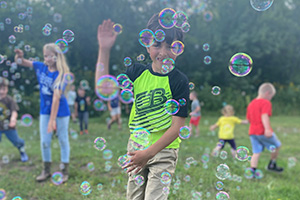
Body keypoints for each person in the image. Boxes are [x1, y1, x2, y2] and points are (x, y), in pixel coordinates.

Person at [95, 13, 189, 199]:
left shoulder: (179, 81)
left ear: (178, 48)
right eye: (157, 45)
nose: (163, 52)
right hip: (137, 145)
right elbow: (104, 87)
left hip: (164, 149)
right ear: (147, 46)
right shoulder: (137, 72)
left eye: (170, 46)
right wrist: (104, 50)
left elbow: (177, 127)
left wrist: (149, 153)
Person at [14, 43, 71, 183]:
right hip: (45, 110)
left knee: (63, 139)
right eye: (45, 55)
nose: (46, 58)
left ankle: (64, 171)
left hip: (61, 112)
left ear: (57, 57)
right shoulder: (41, 67)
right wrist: (19, 57)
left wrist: (52, 121)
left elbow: (56, 98)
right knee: (45, 141)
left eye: (50, 56)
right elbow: (21, 62)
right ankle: (46, 170)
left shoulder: (62, 75)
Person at [247, 83, 283, 175]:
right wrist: (267, 129)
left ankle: (252, 171)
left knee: (256, 152)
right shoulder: (266, 102)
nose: (271, 98)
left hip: (252, 132)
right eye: (271, 96)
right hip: (262, 131)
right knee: (277, 145)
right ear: (267, 93)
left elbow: (249, 119)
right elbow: (264, 115)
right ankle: (272, 164)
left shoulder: (251, 103)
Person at [0, 77, 28, 162]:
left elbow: (14, 111)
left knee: (16, 141)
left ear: (7, 89)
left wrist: (13, 119)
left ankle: (22, 150)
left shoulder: (9, 100)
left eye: (3, 89)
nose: (1, 91)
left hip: (9, 126)